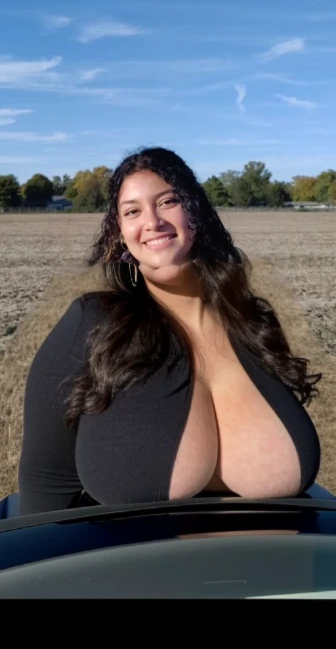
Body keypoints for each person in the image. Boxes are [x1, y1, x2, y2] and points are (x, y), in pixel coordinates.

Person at [18, 146, 321, 515]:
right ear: (120, 234)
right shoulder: (92, 322)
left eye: (167, 202)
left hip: (274, 569)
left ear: (196, 211)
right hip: (130, 571)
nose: (152, 222)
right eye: (132, 211)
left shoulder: (253, 322)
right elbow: (45, 482)